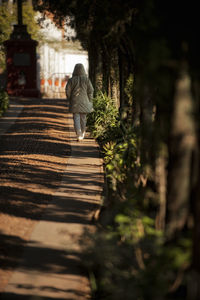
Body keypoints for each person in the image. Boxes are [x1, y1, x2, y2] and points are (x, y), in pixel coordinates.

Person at [65, 63, 94, 141]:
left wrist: (70, 98)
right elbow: (91, 91)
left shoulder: (71, 80)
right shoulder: (87, 80)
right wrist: (90, 100)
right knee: (83, 118)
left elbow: (67, 90)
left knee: (76, 118)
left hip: (75, 102)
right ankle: (83, 133)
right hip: (85, 102)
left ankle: (79, 134)